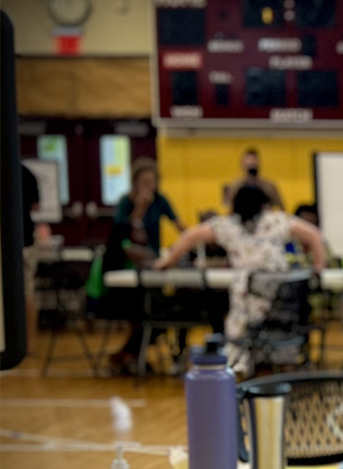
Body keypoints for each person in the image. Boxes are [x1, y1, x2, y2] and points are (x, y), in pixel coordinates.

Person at [154, 186, 325, 374]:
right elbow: (315, 235)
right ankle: (284, 364)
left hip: (246, 309)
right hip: (281, 306)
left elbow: (189, 236)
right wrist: (317, 269)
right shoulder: (277, 220)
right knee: (278, 328)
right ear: (264, 204)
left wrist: (166, 262)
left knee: (232, 322)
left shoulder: (229, 225)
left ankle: (237, 367)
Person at [85, 220, 159, 372]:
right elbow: (151, 256)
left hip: (112, 299)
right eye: (139, 230)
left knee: (150, 316)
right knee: (152, 318)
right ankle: (127, 355)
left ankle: (127, 354)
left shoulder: (120, 245)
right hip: (101, 302)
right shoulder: (124, 245)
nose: (143, 233)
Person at [114, 158, 183, 256]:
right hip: (127, 257)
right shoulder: (125, 201)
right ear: (136, 183)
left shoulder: (160, 200)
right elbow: (122, 232)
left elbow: (177, 223)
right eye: (145, 182)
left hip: (153, 254)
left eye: (152, 182)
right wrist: (140, 207)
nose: (149, 187)